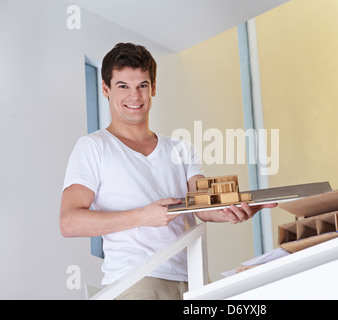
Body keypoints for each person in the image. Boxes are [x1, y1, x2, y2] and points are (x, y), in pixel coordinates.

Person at [59, 43, 276, 300]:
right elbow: (69, 222)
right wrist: (143, 216)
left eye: (142, 85)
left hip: (194, 279)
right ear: (105, 89)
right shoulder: (93, 147)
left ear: (153, 88)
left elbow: (203, 205)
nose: (135, 96)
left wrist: (233, 209)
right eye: (123, 86)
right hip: (137, 282)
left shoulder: (181, 149)